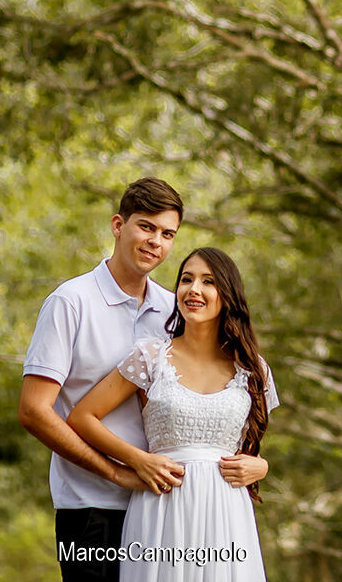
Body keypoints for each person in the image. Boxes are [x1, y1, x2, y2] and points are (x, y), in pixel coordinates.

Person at [68, 247, 278, 581]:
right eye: (186, 279)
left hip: (226, 513)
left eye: (208, 282)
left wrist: (261, 466)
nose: (194, 289)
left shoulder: (253, 369)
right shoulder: (151, 356)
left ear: (228, 295)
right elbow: (81, 417)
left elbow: (250, 450)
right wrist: (137, 461)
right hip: (161, 507)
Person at [20, 177, 186, 582]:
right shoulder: (70, 302)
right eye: (146, 227)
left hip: (163, 505)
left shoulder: (176, 310)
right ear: (118, 225)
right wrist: (116, 472)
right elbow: (34, 411)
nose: (155, 243)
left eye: (167, 234)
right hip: (89, 508)